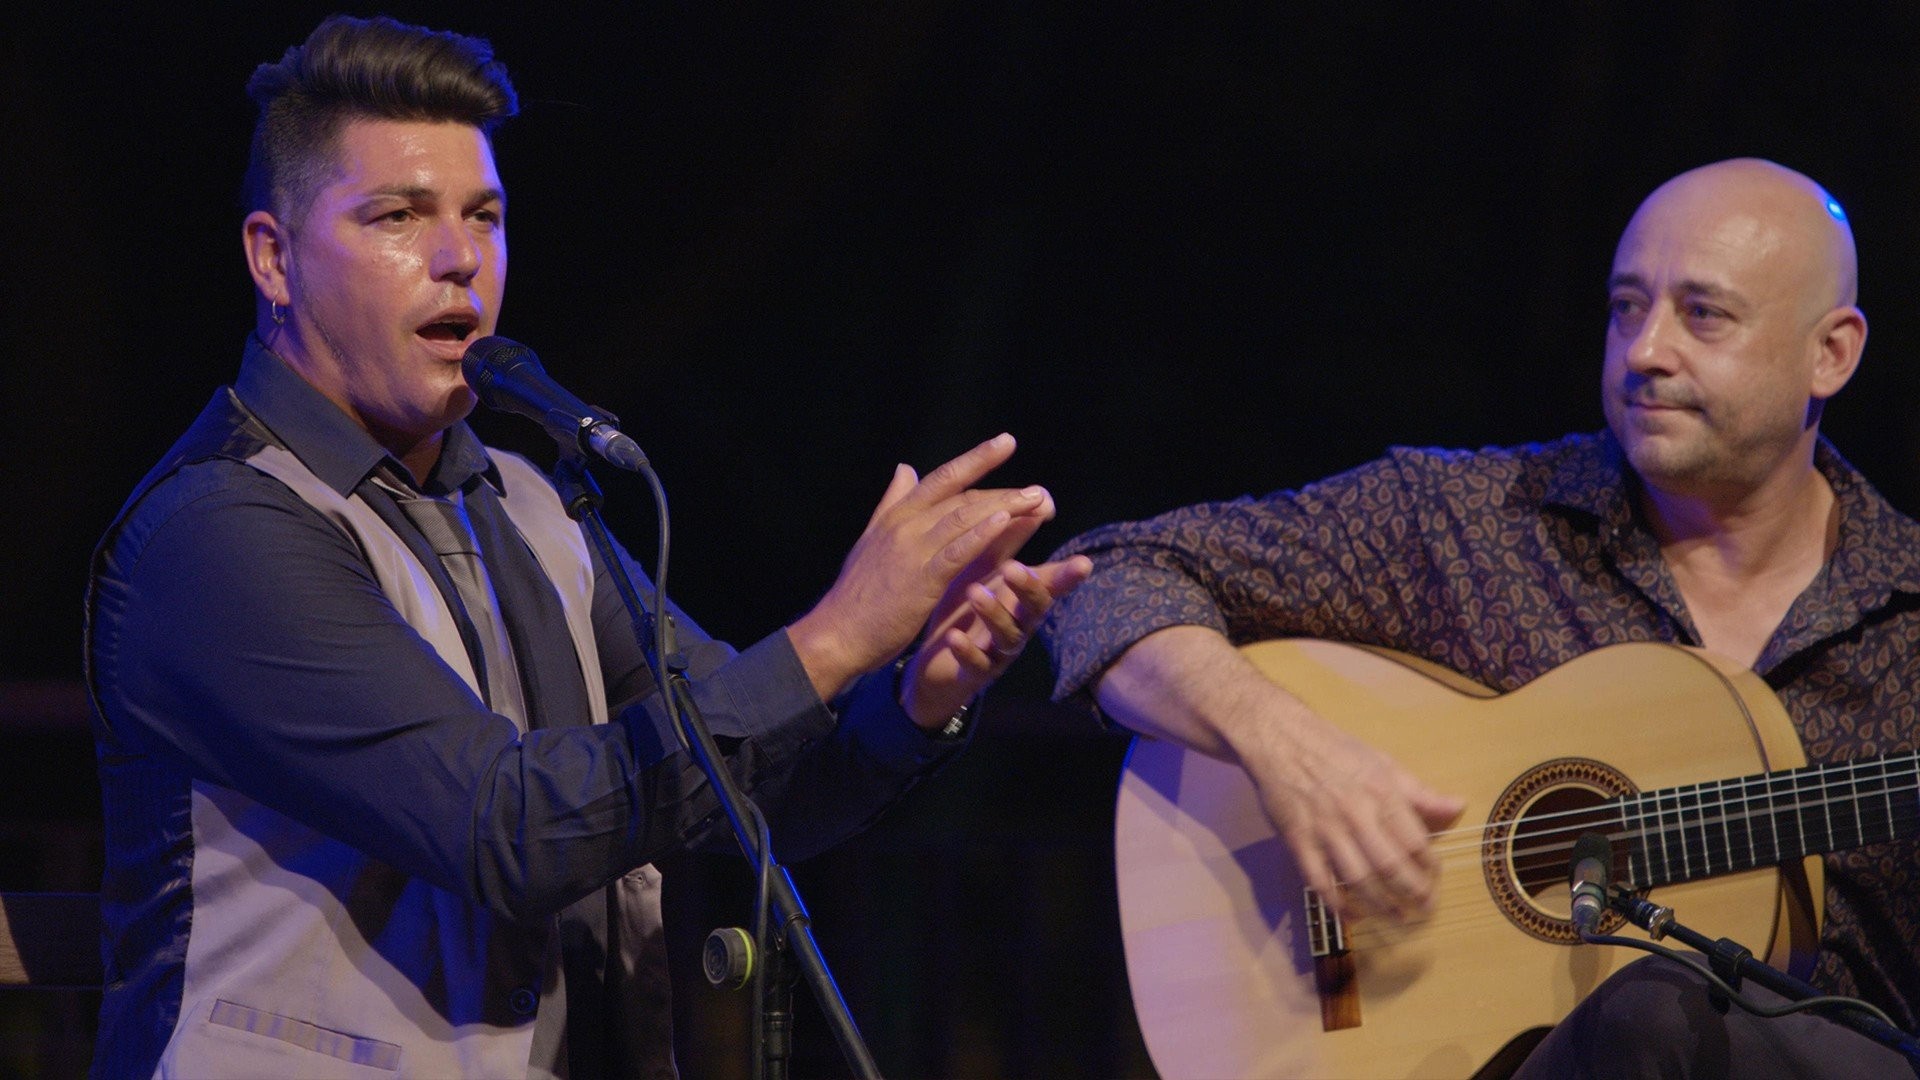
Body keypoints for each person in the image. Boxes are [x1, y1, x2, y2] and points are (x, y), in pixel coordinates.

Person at [85, 14, 1091, 1078]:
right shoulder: (215, 534)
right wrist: (842, 632)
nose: (458, 257)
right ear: (273, 259)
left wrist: (916, 696)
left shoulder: (529, 504)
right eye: (396, 215)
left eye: (485, 215)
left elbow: (750, 785)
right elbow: (501, 829)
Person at [1044, 158, 1920, 1075]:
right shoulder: (1472, 526)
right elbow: (1103, 575)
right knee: (1650, 1019)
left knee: (1659, 1014)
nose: (1646, 350)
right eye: (1627, 306)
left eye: (1702, 314)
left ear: (1833, 352)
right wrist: (1285, 747)